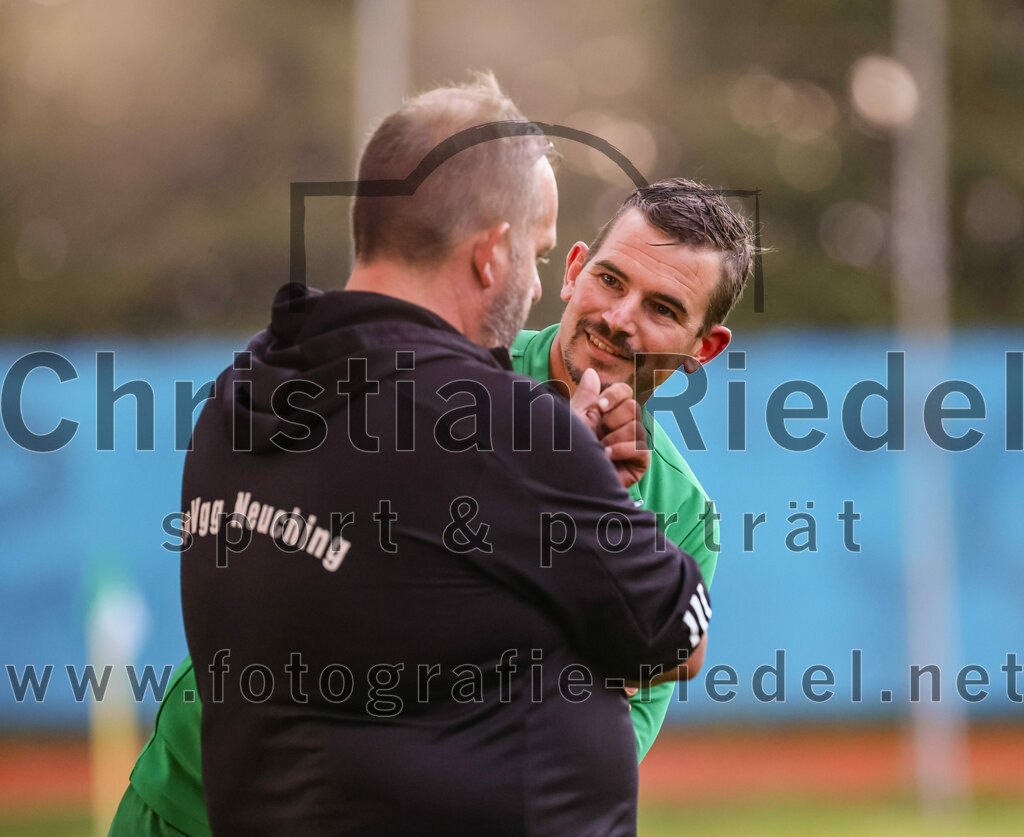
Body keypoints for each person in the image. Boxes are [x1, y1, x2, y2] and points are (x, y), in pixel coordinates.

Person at [124, 74, 710, 837]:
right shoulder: (507, 430)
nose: (538, 287)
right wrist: (574, 465)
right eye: (537, 255)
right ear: (492, 253)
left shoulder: (243, 387)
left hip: (203, 796)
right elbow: (678, 633)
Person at [512, 176, 753, 759]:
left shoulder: (687, 514)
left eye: (662, 309)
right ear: (573, 271)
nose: (620, 319)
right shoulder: (455, 374)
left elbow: (611, 743)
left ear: (704, 348)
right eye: (611, 279)